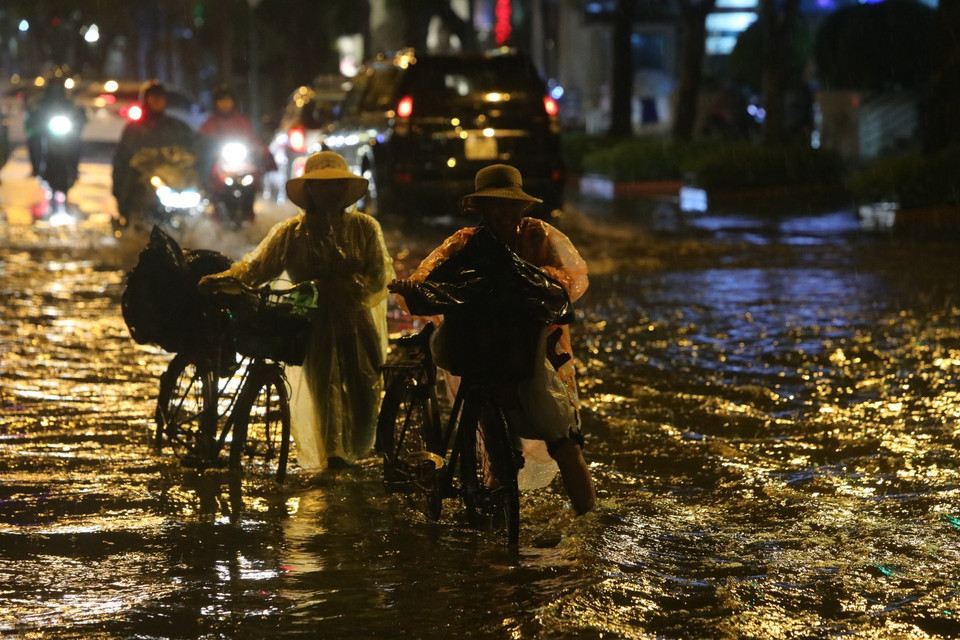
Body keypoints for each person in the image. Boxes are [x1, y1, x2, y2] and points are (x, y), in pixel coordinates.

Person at [389, 164, 596, 515]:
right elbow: (425, 282)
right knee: (495, 437)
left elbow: (568, 283)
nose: (504, 212)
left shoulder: (540, 237)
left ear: (522, 207)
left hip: (532, 351)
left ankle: (589, 520)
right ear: (480, 207)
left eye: (510, 204)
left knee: (564, 439)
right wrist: (413, 289)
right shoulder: (464, 243)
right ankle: (494, 507)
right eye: (495, 204)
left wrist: (527, 279)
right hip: (475, 350)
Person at [199, 151, 394, 470]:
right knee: (324, 395)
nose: (330, 192)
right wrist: (222, 280)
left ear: (345, 189)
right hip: (314, 325)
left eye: (336, 184)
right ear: (309, 191)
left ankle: (357, 459)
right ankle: (333, 464)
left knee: (365, 396)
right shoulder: (290, 233)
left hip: (357, 324)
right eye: (322, 185)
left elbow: (377, 278)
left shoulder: (365, 228)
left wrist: (341, 286)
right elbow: (255, 268)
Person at [111, 81, 197, 223]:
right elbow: (123, 157)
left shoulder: (175, 126)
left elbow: (192, 145)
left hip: (172, 177)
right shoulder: (135, 128)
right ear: (147, 99)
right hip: (143, 179)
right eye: (153, 97)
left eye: (160, 97)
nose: (157, 101)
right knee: (135, 193)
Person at [25, 77, 86, 178]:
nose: (55, 88)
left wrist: (80, 118)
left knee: (75, 142)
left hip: (64, 130)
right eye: (54, 85)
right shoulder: (41, 101)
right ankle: (36, 168)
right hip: (46, 130)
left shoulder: (69, 101)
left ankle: (74, 169)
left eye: (57, 85)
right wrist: (34, 122)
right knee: (34, 141)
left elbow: (78, 114)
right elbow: (32, 117)